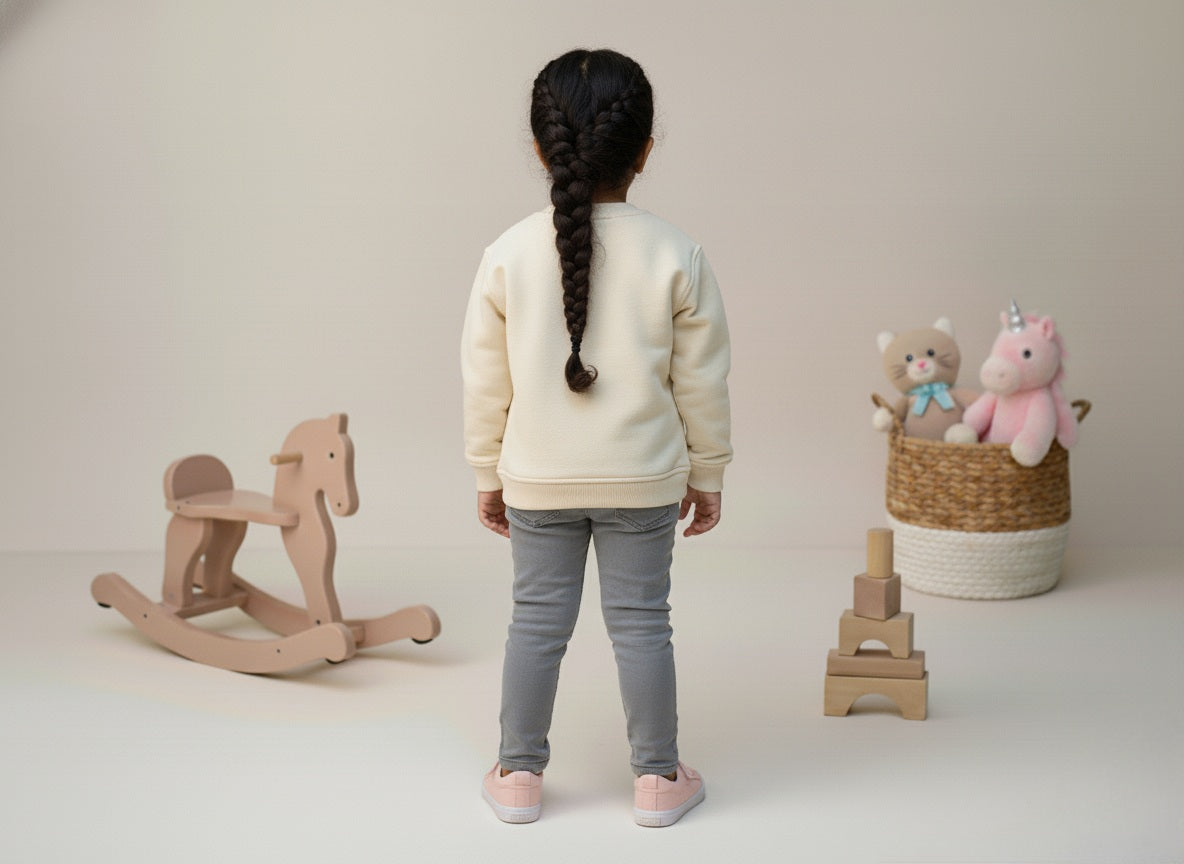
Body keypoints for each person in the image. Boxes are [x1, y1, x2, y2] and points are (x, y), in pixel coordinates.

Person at [461, 48, 732, 828]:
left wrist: (489, 470)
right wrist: (706, 471)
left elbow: (485, 381)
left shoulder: (507, 253)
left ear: (543, 147)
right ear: (644, 150)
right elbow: (702, 381)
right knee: (643, 624)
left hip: (537, 479)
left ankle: (516, 775)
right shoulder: (678, 253)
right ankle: (657, 781)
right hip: (644, 480)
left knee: (535, 623)